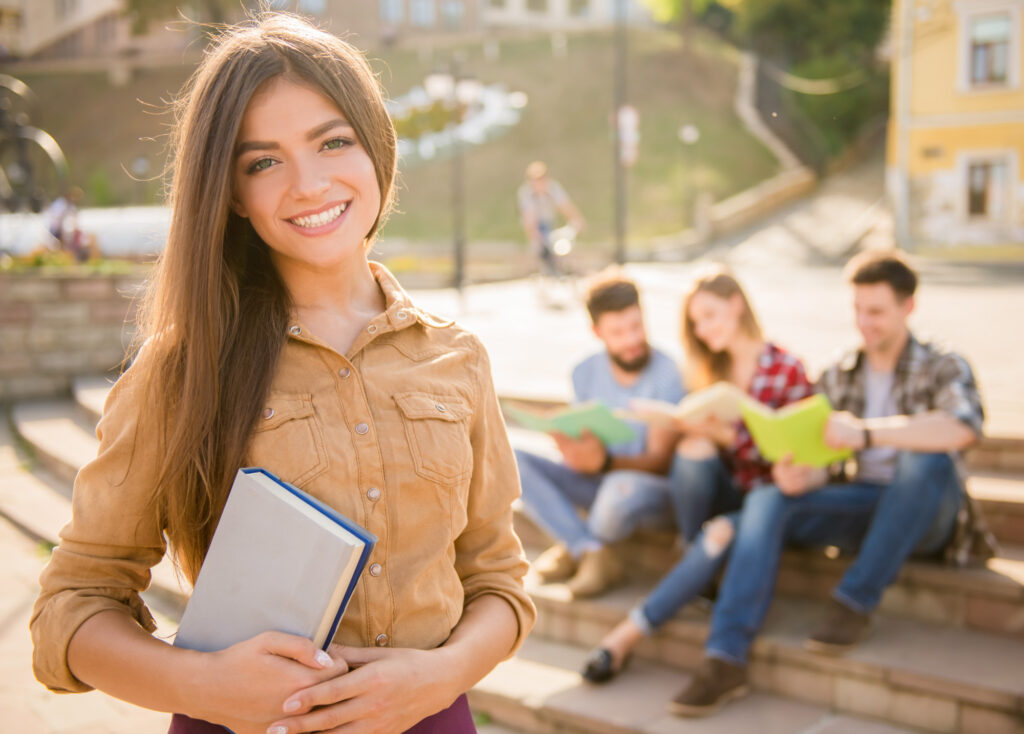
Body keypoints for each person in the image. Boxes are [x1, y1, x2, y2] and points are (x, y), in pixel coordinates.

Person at [30, 14, 535, 734]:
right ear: (231, 193)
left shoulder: (457, 358)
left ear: (376, 148)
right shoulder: (182, 369)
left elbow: (500, 584)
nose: (309, 183)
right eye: (262, 161)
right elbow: (70, 608)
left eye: (334, 142)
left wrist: (442, 675)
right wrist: (203, 685)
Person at [669, 251, 994, 717]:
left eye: (877, 311)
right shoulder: (841, 374)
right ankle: (725, 657)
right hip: (861, 507)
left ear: (909, 307)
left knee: (923, 464)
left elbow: (963, 428)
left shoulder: (943, 364)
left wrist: (867, 433)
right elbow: (821, 457)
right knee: (767, 498)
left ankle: (853, 603)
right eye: (858, 310)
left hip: (930, 514)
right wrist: (802, 475)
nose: (865, 322)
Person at [580, 266, 814, 684]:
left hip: (772, 498)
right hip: (727, 489)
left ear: (737, 305)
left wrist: (724, 433)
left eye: (709, 316)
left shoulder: (786, 368)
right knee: (692, 449)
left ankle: (621, 640)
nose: (702, 331)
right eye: (695, 323)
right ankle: (690, 550)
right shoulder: (709, 370)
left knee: (717, 532)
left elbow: (804, 453)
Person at [514, 269, 685, 598]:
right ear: (597, 332)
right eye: (618, 332)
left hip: (646, 490)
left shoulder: (668, 373)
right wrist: (572, 447)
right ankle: (587, 547)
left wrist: (604, 462)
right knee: (513, 461)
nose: (632, 340)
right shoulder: (583, 372)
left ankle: (575, 543)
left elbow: (662, 463)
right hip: (597, 479)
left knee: (618, 489)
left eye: (636, 326)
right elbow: (587, 444)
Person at [516, 160, 584, 278]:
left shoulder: (553, 188)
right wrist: (535, 234)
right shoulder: (526, 193)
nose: (540, 183)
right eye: (536, 180)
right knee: (542, 246)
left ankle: (561, 268)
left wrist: (577, 220)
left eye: (542, 179)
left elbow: (565, 205)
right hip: (535, 223)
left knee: (559, 241)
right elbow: (529, 218)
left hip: (548, 220)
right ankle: (547, 269)